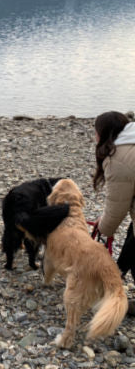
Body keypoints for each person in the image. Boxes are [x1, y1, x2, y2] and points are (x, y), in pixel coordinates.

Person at [93, 111, 135, 315]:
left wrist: (104, 227)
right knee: (132, 235)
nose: (94, 137)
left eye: (96, 133)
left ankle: (112, 286)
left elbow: (117, 204)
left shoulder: (118, 157)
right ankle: (116, 276)